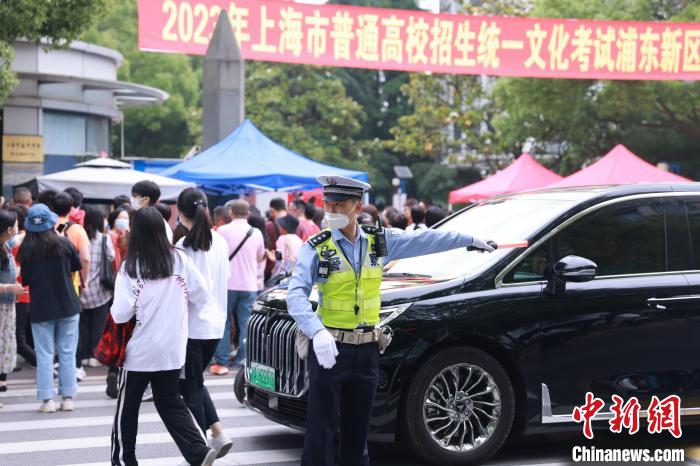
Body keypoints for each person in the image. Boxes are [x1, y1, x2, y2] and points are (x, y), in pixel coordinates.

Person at [286, 175, 496, 466]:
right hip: (329, 348)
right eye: (328, 204)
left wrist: (468, 240)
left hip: (368, 349)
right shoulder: (316, 247)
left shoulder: (378, 241)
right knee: (320, 431)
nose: (331, 211)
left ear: (357, 206)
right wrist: (317, 332)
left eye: (339, 204)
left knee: (359, 430)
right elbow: (294, 296)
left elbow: (425, 240)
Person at [110, 207, 217, 466]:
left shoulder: (131, 266)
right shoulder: (179, 259)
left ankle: (125, 460)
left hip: (140, 350)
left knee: (128, 407)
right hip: (173, 346)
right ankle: (198, 452)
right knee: (170, 400)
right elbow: (202, 295)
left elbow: (121, 314)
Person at [175, 188, 234, 459]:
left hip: (191, 327)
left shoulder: (182, 247)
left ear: (180, 211)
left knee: (190, 387)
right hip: (215, 324)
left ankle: (200, 448)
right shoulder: (220, 242)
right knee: (194, 382)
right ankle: (218, 432)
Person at [19, 204, 82, 413]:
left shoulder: (26, 248)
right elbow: (75, 268)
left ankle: (47, 400)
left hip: (40, 307)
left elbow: (25, 279)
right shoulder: (64, 243)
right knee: (67, 352)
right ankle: (68, 398)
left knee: (45, 354)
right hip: (67, 304)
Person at [211, 200, 265, 375]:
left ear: (231, 212)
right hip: (249, 284)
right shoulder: (256, 233)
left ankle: (222, 361)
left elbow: (216, 255)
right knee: (245, 323)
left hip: (226, 284)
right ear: (248, 214)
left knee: (224, 323)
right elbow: (260, 256)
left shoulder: (222, 231)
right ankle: (244, 359)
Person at [53, 191, 91, 381]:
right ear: (71, 209)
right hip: (71, 284)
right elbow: (85, 258)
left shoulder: (46, 227)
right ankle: (74, 366)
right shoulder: (77, 230)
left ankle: (56, 361)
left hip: (48, 284)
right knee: (71, 327)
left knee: (51, 325)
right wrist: (84, 280)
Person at [78, 206, 115, 368]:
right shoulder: (104, 239)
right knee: (99, 325)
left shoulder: (80, 236)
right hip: (100, 291)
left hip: (81, 289)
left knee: (83, 324)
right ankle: (95, 356)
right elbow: (111, 256)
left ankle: (84, 355)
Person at [0, 209, 26, 396]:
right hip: (3, 303)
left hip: (7, 305)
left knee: (4, 345)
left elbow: (19, 239)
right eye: (16, 225)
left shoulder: (5, 245)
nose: (18, 228)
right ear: (9, 229)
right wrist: (10, 287)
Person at [8, 205, 35, 369]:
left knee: (19, 337)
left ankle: (43, 364)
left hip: (19, 291)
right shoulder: (30, 237)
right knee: (25, 334)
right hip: (26, 291)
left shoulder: (18, 240)